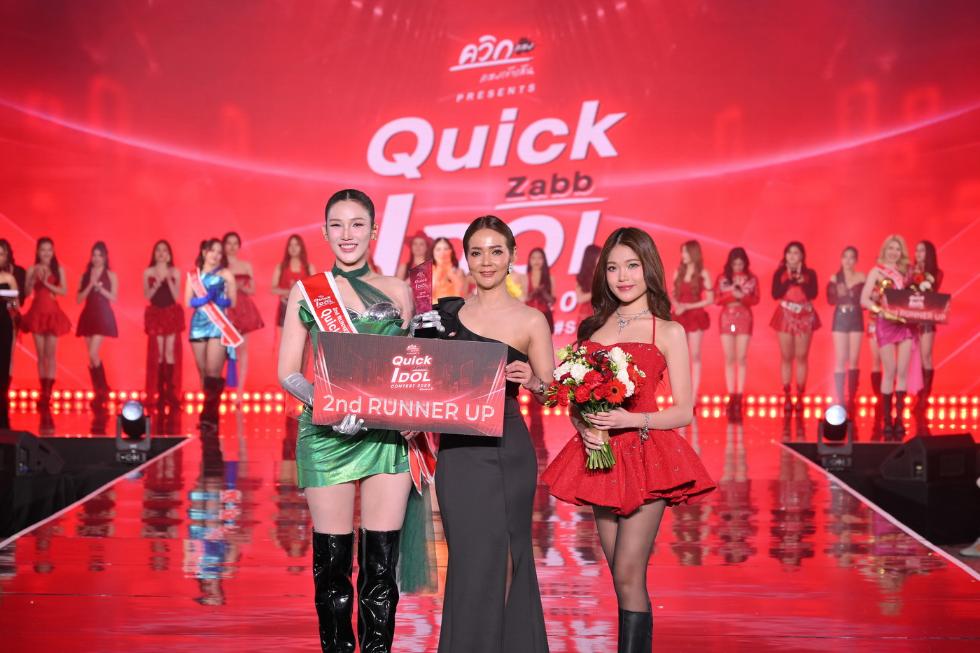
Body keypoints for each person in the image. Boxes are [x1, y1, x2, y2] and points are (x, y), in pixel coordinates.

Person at [542, 227, 715, 652]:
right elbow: (576, 402)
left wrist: (630, 419)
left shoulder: (667, 331)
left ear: (648, 268)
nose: (623, 277)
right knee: (618, 575)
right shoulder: (592, 329)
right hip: (601, 456)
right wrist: (585, 428)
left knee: (628, 572)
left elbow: (684, 411)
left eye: (632, 266)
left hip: (647, 454)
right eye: (613, 268)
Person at [277, 189, 418, 653]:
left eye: (357, 224)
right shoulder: (307, 290)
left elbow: (413, 366)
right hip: (326, 435)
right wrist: (329, 408)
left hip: (386, 436)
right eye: (337, 225)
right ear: (324, 232)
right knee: (333, 568)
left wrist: (416, 412)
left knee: (381, 568)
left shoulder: (399, 290)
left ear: (374, 231)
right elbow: (288, 372)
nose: (347, 234)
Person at [433, 216, 553, 653]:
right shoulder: (444, 316)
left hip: (507, 451)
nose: (486, 261)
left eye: (496, 251)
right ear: (466, 258)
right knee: (467, 562)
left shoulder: (531, 320)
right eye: (477, 252)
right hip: (457, 454)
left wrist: (534, 381)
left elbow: (553, 392)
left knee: (506, 558)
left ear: (512, 256)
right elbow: (424, 382)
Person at [860, 235, 914, 437]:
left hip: (905, 324)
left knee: (902, 372)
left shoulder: (907, 273)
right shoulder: (876, 271)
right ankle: (887, 421)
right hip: (885, 323)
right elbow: (863, 299)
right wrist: (880, 309)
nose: (894, 252)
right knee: (889, 371)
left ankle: (899, 419)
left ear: (901, 252)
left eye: (897, 249)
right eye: (890, 248)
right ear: (885, 250)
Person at [185, 238, 237, 427]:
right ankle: (208, 413)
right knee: (203, 374)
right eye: (212, 251)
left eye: (219, 252)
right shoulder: (194, 275)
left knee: (213, 373)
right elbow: (188, 301)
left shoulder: (226, 274)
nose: (215, 255)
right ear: (204, 252)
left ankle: (209, 416)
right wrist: (204, 299)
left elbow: (233, 301)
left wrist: (221, 300)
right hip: (198, 326)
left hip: (218, 325)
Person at [20, 237, 71, 412]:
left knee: (51, 355)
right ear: (37, 251)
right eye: (43, 249)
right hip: (36, 312)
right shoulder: (32, 269)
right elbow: (26, 293)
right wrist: (32, 279)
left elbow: (64, 291)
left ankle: (49, 392)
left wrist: (48, 284)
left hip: (52, 313)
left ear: (53, 251)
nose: (46, 253)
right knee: (41, 355)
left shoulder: (58, 269)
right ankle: (43, 392)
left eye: (49, 249)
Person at [769, 241, 819, 411]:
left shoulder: (810, 273)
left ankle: (800, 396)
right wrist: (788, 280)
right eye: (789, 252)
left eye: (796, 252)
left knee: (802, 356)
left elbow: (813, 293)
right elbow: (775, 294)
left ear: (802, 256)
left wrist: (802, 281)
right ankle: (787, 396)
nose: (792, 256)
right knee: (786, 356)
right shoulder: (780, 273)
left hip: (805, 316)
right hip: (785, 315)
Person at [714, 247, 759, 420]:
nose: (738, 266)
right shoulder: (723, 278)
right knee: (729, 358)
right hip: (727, 317)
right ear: (730, 263)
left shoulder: (751, 279)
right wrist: (732, 295)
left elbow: (755, 299)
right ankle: (731, 395)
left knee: (741, 358)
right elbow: (717, 299)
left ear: (745, 263)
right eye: (735, 264)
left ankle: (739, 396)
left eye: (741, 264)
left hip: (744, 317)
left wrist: (742, 297)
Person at [75, 241, 119, 417]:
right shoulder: (85, 275)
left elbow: (114, 297)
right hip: (88, 315)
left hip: (103, 315)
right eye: (94, 255)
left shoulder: (111, 275)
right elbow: (79, 299)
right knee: (91, 357)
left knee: (94, 353)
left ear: (105, 257)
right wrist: (90, 285)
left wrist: (100, 288)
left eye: (100, 255)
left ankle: (103, 390)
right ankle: (100, 391)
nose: (96, 258)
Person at [143, 240, 184, 418]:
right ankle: (159, 392)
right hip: (156, 312)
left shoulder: (175, 271)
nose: (161, 253)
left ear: (169, 254)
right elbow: (147, 295)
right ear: (154, 253)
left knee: (169, 352)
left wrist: (168, 279)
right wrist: (156, 283)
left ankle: (171, 393)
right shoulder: (148, 272)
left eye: (164, 250)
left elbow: (176, 296)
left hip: (171, 312)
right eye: (158, 250)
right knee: (158, 353)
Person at [223, 232, 265, 394]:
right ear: (224, 245)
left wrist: (240, 287)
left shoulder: (246, 266)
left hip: (243, 309)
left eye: (235, 243)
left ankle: (239, 391)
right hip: (226, 307)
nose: (232, 247)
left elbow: (252, 290)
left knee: (242, 349)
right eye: (229, 243)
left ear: (239, 246)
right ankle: (225, 387)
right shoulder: (220, 266)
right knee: (224, 349)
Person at [671, 240, 713, 405]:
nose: (683, 255)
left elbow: (710, 299)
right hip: (680, 315)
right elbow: (673, 294)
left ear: (694, 253)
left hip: (695, 315)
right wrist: (677, 305)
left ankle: (694, 396)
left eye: (686, 252)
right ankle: (682, 395)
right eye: (682, 252)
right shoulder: (678, 271)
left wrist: (688, 306)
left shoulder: (703, 273)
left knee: (695, 355)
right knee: (681, 356)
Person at [910, 240, 942, 435]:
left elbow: (931, 289)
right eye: (916, 250)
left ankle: (924, 399)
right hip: (911, 318)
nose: (918, 253)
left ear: (928, 253)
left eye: (922, 250)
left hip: (927, 319)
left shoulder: (936, 272)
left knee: (926, 357)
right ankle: (917, 395)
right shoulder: (910, 271)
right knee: (913, 360)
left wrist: (920, 275)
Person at [827, 246, 865, 410]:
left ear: (856, 260)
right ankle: (840, 398)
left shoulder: (861, 277)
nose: (848, 260)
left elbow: (865, 300)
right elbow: (830, 300)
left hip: (856, 316)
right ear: (841, 259)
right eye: (845, 257)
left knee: (854, 359)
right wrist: (837, 290)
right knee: (840, 359)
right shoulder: (835, 278)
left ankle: (852, 398)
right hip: (840, 317)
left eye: (851, 257)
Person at [272, 234, 316, 343]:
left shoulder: (309, 267)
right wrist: (290, 291)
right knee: (283, 343)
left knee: (304, 344)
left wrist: (298, 292)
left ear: (301, 247)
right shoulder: (281, 267)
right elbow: (273, 289)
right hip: (285, 308)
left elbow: (315, 289)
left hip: (303, 309)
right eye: (290, 245)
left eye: (296, 245)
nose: (293, 248)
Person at [0, 241, 20, 428]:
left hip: (3, 323)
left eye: (1, 254)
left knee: (4, 361)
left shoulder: (9, 278)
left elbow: (15, 305)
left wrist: (9, 300)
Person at [525, 247, 555, 333]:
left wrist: (543, 292)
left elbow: (552, 301)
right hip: (528, 314)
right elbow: (524, 299)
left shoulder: (550, 278)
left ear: (544, 260)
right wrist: (534, 292)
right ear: (529, 260)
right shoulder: (524, 277)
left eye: (540, 258)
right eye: (533, 258)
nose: (536, 261)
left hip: (545, 314)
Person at [575, 244, 602, 321]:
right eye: (599, 256)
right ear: (592, 258)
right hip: (587, 314)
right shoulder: (582, 276)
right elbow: (579, 298)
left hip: (603, 312)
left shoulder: (605, 272)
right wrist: (598, 291)